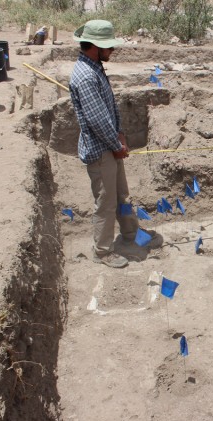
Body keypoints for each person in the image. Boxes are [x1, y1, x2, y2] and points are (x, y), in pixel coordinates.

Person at [69, 20, 157, 268]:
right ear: (96, 46)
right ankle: (103, 251)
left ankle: (131, 235)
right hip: (100, 150)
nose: (113, 51)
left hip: (108, 145)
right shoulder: (86, 76)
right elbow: (97, 119)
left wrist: (119, 135)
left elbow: (107, 110)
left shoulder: (95, 66)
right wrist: (116, 144)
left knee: (121, 195)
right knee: (106, 204)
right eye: (109, 47)